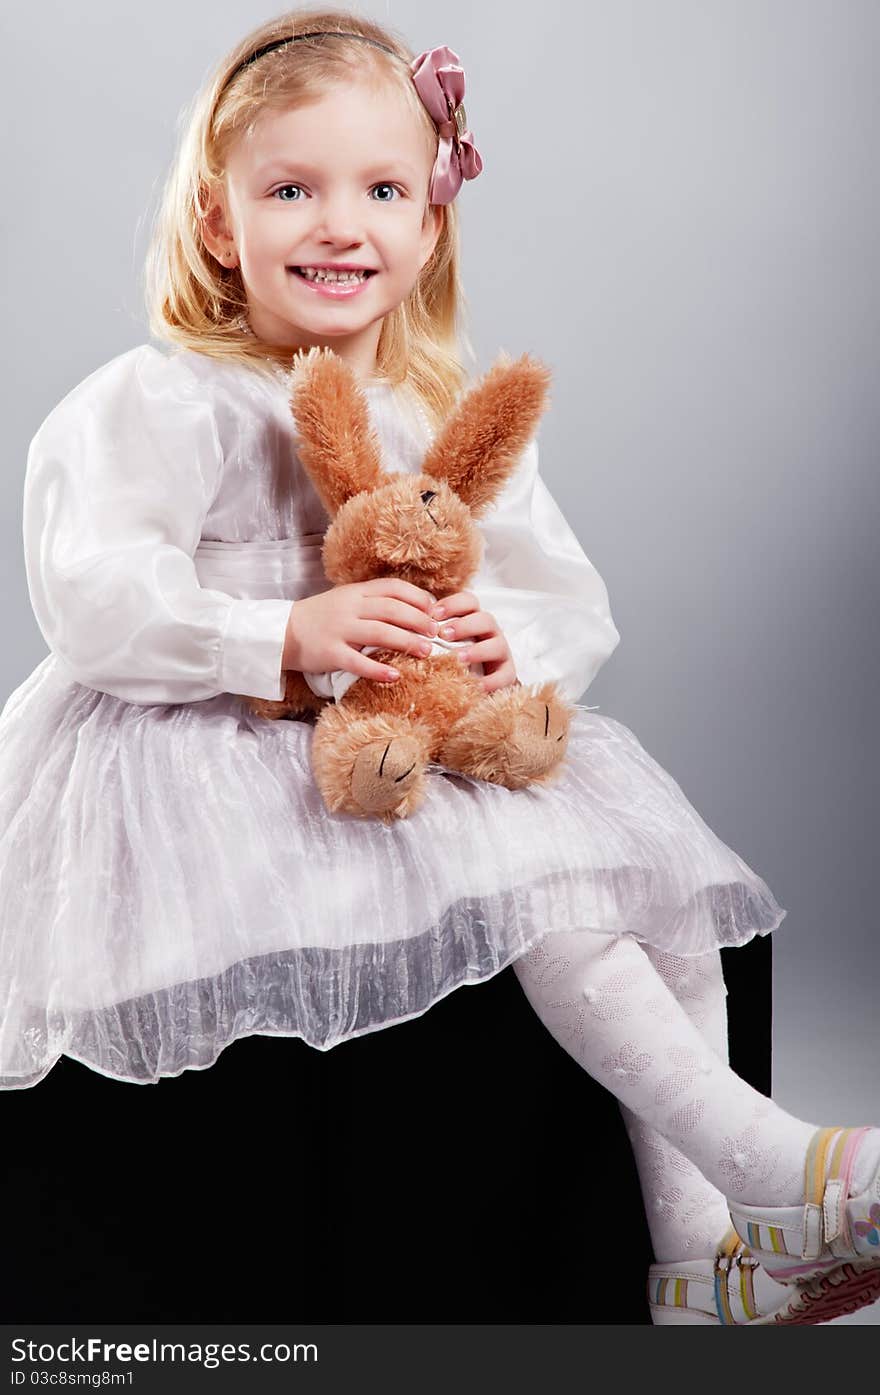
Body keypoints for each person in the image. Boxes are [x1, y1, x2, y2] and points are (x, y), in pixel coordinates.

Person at [2, 10, 877, 1327]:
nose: (338, 223)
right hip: (207, 746)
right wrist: (279, 633)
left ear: (428, 230)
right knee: (536, 898)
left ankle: (704, 1255)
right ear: (219, 222)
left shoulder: (432, 423)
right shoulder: (168, 397)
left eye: (381, 190)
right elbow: (95, 594)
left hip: (414, 737)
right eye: (290, 189)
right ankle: (773, 1165)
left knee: (646, 893)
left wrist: (504, 639)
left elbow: (556, 584)